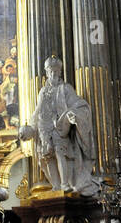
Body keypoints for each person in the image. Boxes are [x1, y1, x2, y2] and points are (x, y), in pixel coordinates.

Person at [19, 56, 101, 198]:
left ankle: (64, 184)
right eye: (51, 72)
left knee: (59, 152)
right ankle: (56, 185)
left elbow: (78, 104)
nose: (53, 74)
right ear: (47, 73)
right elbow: (37, 111)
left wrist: (73, 114)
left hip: (59, 126)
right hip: (44, 127)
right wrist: (30, 129)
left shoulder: (65, 89)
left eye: (56, 72)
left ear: (60, 72)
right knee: (47, 157)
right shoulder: (43, 91)